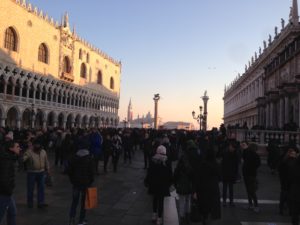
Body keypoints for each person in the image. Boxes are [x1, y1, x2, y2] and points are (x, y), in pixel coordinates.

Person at [68, 135, 95, 225]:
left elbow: (70, 171)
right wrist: (90, 181)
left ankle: (71, 219)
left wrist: (72, 180)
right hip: (85, 183)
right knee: (84, 203)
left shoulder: (74, 157)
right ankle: (81, 221)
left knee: (74, 202)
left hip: (76, 183)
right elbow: (91, 173)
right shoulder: (89, 158)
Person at [144, 145, 173, 225]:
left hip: (154, 183)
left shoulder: (153, 160)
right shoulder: (167, 161)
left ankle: (154, 215)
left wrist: (147, 181)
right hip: (163, 184)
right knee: (161, 201)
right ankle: (159, 218)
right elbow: (170, 174)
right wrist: (170, 183)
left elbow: (149, 172)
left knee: (155, 199)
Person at [23, 138, 50, 209]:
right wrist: (26, 152)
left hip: (41, 172)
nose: (37, 145)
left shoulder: (43, 151)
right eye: (36, 144)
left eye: (39, 144)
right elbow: (23, 159)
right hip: (31, 172)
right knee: (30, 189)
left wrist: (48, 169)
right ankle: (30, 203)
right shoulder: (29, 152)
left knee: (41, 188)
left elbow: (46, 160)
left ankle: (41, 202)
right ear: (33, 145)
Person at [0, 140, 20, 225]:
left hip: (7, 192)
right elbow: (4, 179)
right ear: (11, 149)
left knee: (13, 213)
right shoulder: (7, 161)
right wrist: (8, 191)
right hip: (4, 192)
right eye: (17, 147)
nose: (20, 148)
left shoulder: (10, 158)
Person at [174, 152, 193, 225]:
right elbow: (192, 178)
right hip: (188, 188)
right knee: (188, 202)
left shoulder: (178, 168)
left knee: (181, 203)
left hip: (181, 188)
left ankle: (182, 219)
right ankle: (187, 218)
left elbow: (175, 178)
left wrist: (176, 185)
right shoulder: (189, 167)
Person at [241, 141, 261, 212]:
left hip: (247, 174)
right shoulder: (255, 155)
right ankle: (253, 205)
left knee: (250, 191)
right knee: (251, 191)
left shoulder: (248, 153)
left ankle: (253, 205)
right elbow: (258, 164)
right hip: (252, 174)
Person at [221, 141, 239, 207]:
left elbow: (236, 165)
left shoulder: (233, 154)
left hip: (230, 173)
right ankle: (225, 201)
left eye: (232, 147)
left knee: (230, 188)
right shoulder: (227, 153)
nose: (231, 148)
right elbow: (222, 164)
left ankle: (229, 201)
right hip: (227, 173)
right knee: (226, 188)